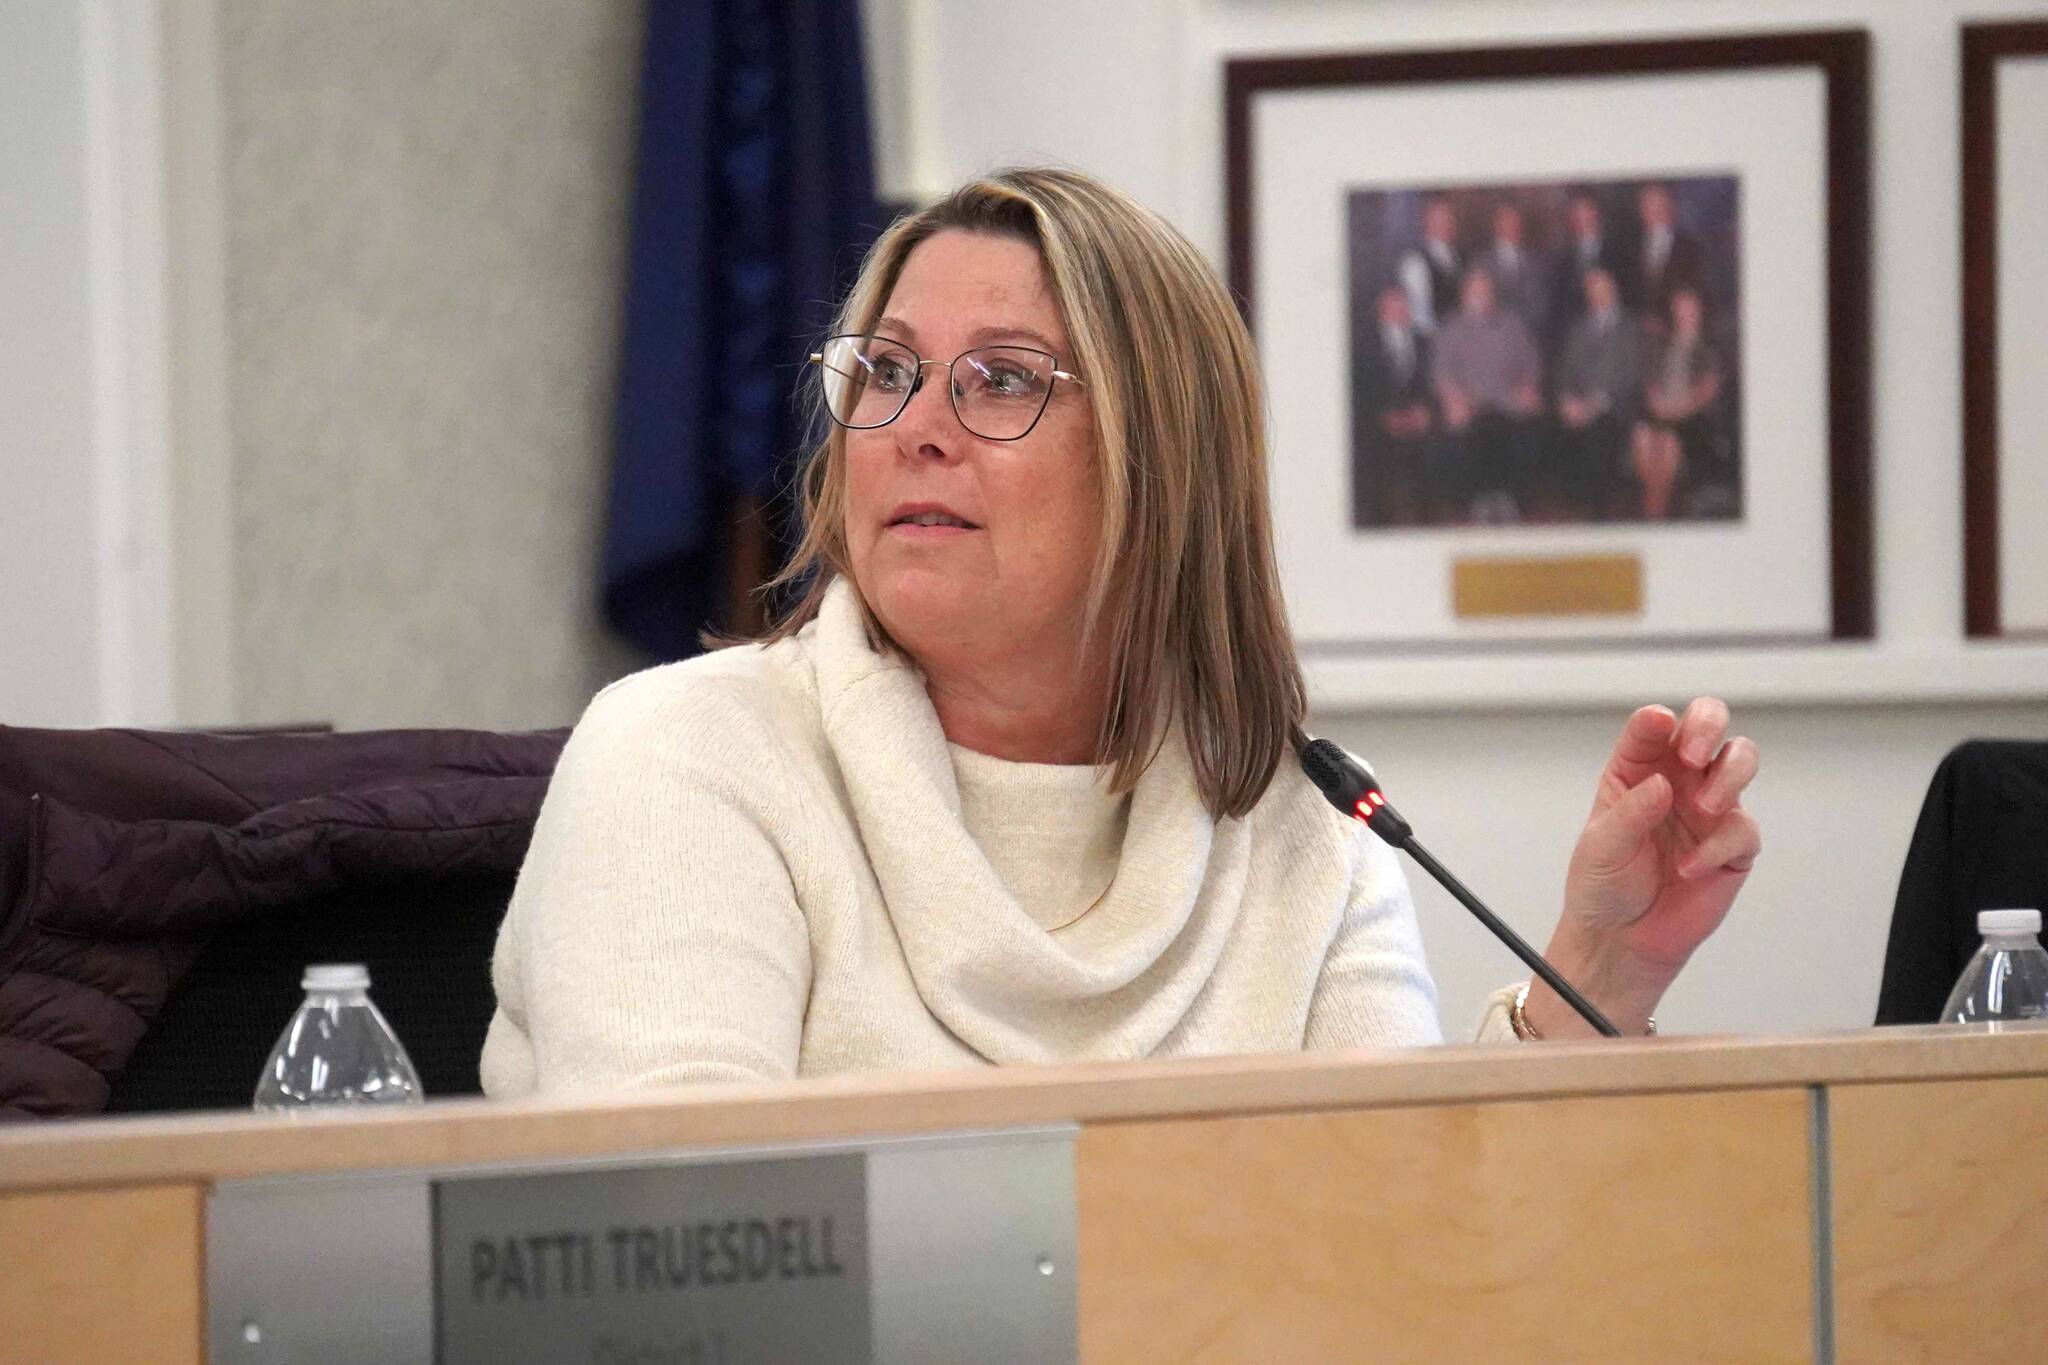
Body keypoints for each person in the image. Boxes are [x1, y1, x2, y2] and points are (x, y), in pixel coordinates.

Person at [481, 169, 1761, 1096]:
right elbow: (700, 1271)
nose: (917, 423)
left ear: (1160, 462)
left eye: (1001, 380)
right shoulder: (691, 757)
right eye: (885, 369)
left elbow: (1413, 1233)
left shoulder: (1303, 824)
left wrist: (1599, 963)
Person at [1431, 266, 1544, 522]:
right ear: (1464, 294)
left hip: (1508, 401)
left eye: (1485, 290)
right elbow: (1441, 371)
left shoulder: (1513, 324)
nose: (1480, 295)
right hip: (1470, 403)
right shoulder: (1452, 327)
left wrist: (1529, 387)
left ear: (1492, 293)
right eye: (1474, 291)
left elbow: (1532, 363)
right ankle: (1483, 499)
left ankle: (1505, 499)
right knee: (1479, 426)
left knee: (1515, 424)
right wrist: (1453, 398)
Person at [1553, 268, 1643, 518]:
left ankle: (1597, 512)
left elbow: (1631, 377)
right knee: (1549, 423)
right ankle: (1568, 505)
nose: (1598, 297)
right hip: (1579, 405)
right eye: (1592, 292)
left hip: (1615, 407)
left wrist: (1594, 405)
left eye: (1603, 291)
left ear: (1614, 292)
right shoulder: (1578, 327)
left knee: (1600, 430)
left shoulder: (1631, 327)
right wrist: (1566, 400)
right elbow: (1564, 371)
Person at [1634, 286, 1723, 519]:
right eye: (1678, 307)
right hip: (1661, 413)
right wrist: (1655, 402)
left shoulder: (1708, 346)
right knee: (1641, 437)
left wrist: (1678, 409)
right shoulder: (1663, 343)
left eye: (1688, 307)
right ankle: (1654, 511)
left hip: (1691, 418)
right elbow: (1650, 385)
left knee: (1668, 443)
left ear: (1699, 310)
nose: (1682, 312)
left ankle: (1653, 514)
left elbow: (1708, 390)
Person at [1352, 284, 1437, 526]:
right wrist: (1384, 417)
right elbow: (1360, 388)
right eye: (1394, 303)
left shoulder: (1423, 342)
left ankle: (1422, 519)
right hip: (1376, 420)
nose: (1400, 308)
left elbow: (1431, 383)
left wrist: (1424, 411)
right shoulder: (1364, 344)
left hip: (1417, 418)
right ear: (1381, 309)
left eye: (1403, 302)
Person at [1633, 183, 1705, 331]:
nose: (1653, 212)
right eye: (1647, 206)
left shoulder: (1690, 247)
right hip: (1638, 332)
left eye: (1658, 205)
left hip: (1675, 330)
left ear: (1670, 207)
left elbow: (1695, 293)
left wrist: (1666, 321)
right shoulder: (1630, 246)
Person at [1397, 196, 1463, 333]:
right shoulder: (1414, 260)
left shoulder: (1460, 256)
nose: (1446, 224)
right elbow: (1419, 315)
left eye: (1449, 218)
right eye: (1440, 219)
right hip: (1434, 338)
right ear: (1426, 222)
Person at [1484, 202, 1549, 334]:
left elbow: (1540, 303)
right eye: (1506, 221)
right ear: (1496, 226)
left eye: (1515, 222)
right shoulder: (1482, 262)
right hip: (1491, 335)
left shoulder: (1536, 261)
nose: (1512, 227)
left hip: (1528, 333)